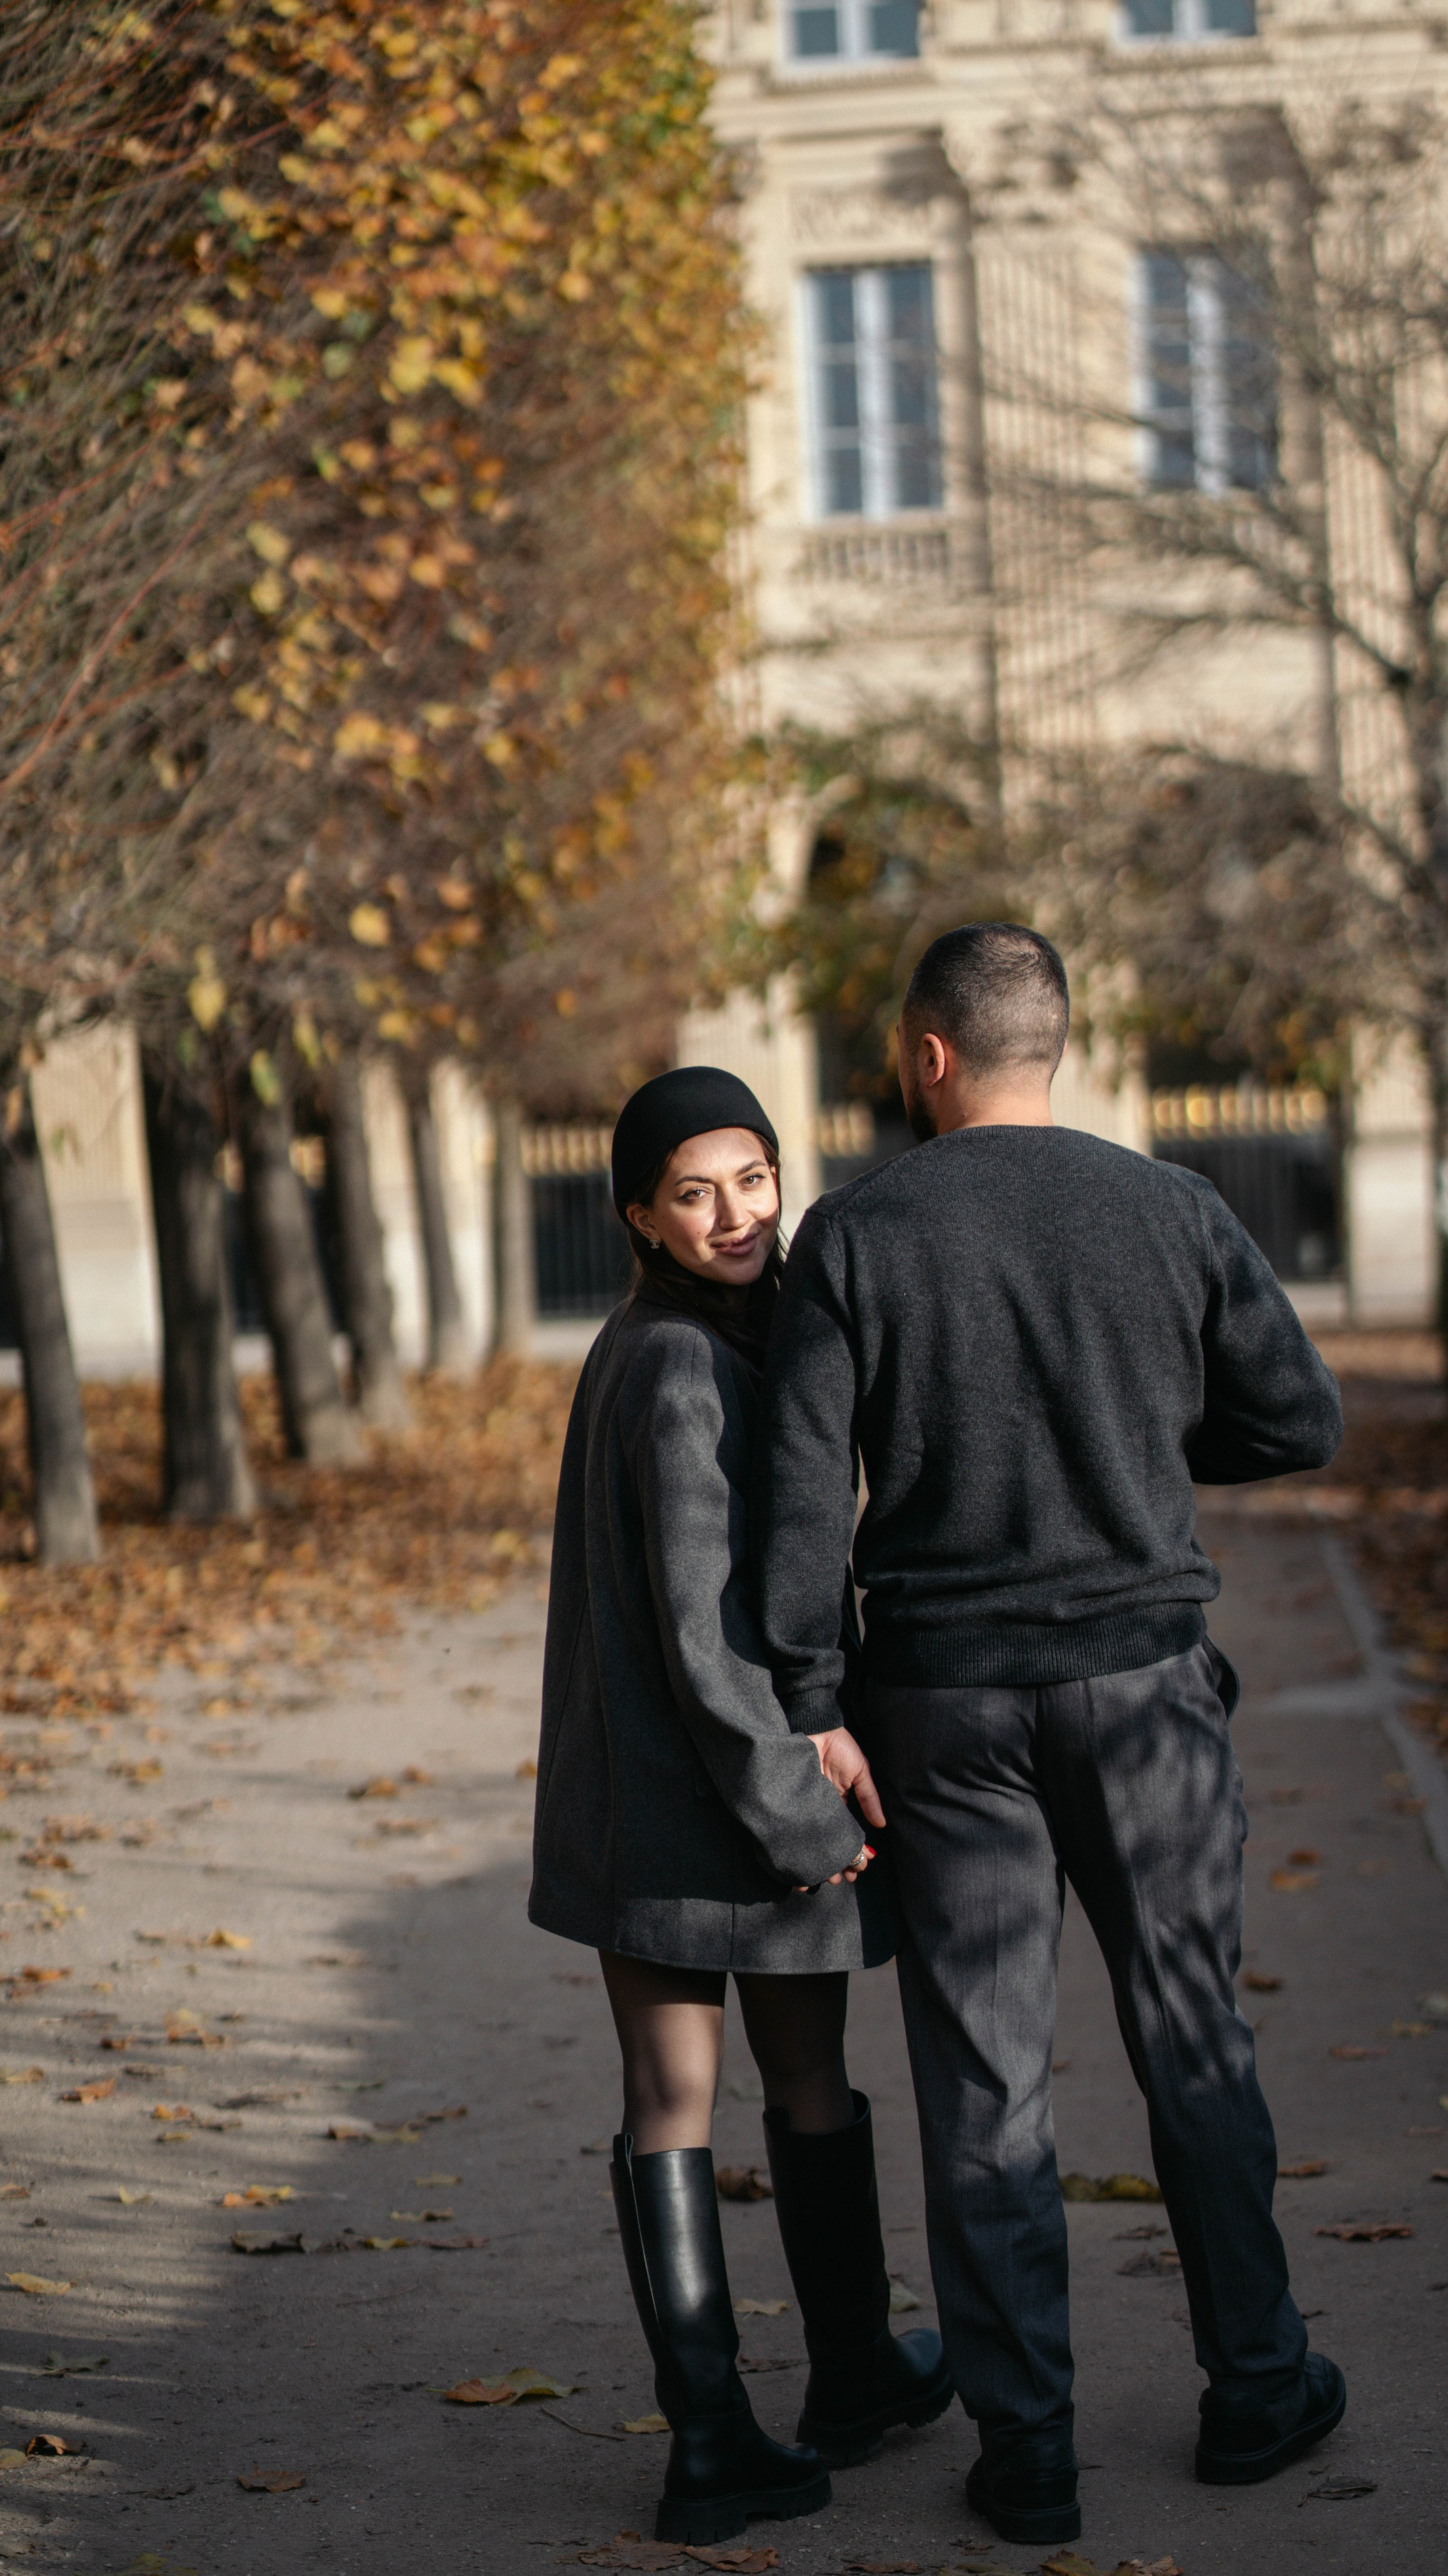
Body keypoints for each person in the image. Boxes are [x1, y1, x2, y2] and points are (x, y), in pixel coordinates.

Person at [752, 927, 1348, 2547]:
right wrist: (1142, 1452)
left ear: (928, 1054)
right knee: (1192, 2037)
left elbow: (804, 1496)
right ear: (1055, 1045)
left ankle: (1025, 2448)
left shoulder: (857, 1234)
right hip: (1142, 1682)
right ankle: (1254, 2385)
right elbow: (1295, 1417)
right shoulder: (1170, 1209)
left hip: (940, 1707)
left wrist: (810, 1702)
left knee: (983, 2074)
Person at [529, 1066, 952, 2546]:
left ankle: (842, 2381)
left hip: (645, 1812)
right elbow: (713, 1642)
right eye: (692, 1192)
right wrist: (799, 1813)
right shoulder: (684, 1369)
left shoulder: (667, 1344)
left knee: (781, 2092)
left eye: (751, 1179)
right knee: (711, 2103)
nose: (731, 1215)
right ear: (637, 1214)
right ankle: (715, 2438)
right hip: (717, 1806)